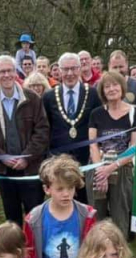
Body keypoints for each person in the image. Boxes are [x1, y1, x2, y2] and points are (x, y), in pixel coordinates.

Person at [0, 54, 49, 225]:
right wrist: (2, 156)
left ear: (16, 72)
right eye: (2, 72)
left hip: (30, 169)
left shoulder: (32, 98)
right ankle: (15, 243)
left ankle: (35, 242)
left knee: (35, 216)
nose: (7, 75)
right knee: (12, 217)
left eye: (10, 70)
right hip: (4, 171)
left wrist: (27, 157)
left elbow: (42, 131)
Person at [24, 154, 97, 258]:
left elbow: (93, 252)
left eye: (70, 188)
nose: (66, 194)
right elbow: (29, 257)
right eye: (60, 189)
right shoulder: (33, 219)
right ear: (47, 189)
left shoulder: (87, 215)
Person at [42, 52, 102, 205]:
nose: (70, 73)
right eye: (65, 69)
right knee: (62, 201)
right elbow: (46, 128)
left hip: (85, 159)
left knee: (84, 203)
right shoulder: (49, 97)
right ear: (59, 70)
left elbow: (98, 125)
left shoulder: (92, 94)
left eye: (74, 68)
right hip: (58, 160)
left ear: (80, 68)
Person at [87, 71, 136, 238]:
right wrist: (100, 170)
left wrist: (111, 167)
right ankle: (96, 248)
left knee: (120, 215)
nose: (111, 89)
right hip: (98, 168)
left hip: (122, 169)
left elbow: (134, 147)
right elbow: (93, 144)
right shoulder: (96, 113)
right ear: (102, 91)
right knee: (97, 214)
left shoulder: (134, 113)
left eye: (115, 84)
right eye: (107, 86)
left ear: (122, 87)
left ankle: (120, 250)